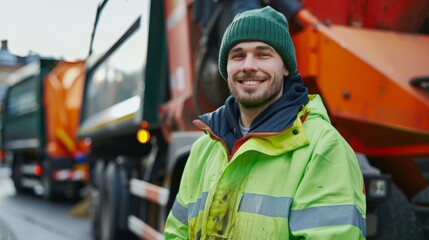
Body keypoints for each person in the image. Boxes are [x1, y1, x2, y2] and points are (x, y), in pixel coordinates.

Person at [164, 6, 366, 240]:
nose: (248, 65)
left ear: (286, 67)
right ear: (226, 68)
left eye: (263, 54)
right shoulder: (204, 148)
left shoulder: (322, 148)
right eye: (238, 55)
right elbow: (176, 233)